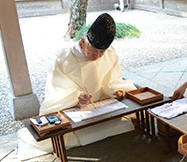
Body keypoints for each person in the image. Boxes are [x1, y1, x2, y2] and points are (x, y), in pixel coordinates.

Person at [19, 13, 137, 153]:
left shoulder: (110, 53)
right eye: (94, 51)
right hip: (74, 111)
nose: (98, 56)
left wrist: (115, 90)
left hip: (101, 107)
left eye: (102, 52)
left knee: (127, 122)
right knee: (56, 138)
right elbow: (55, 93)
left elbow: (113, 80)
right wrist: (76, 99)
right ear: (82, 42)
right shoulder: (63, 60)